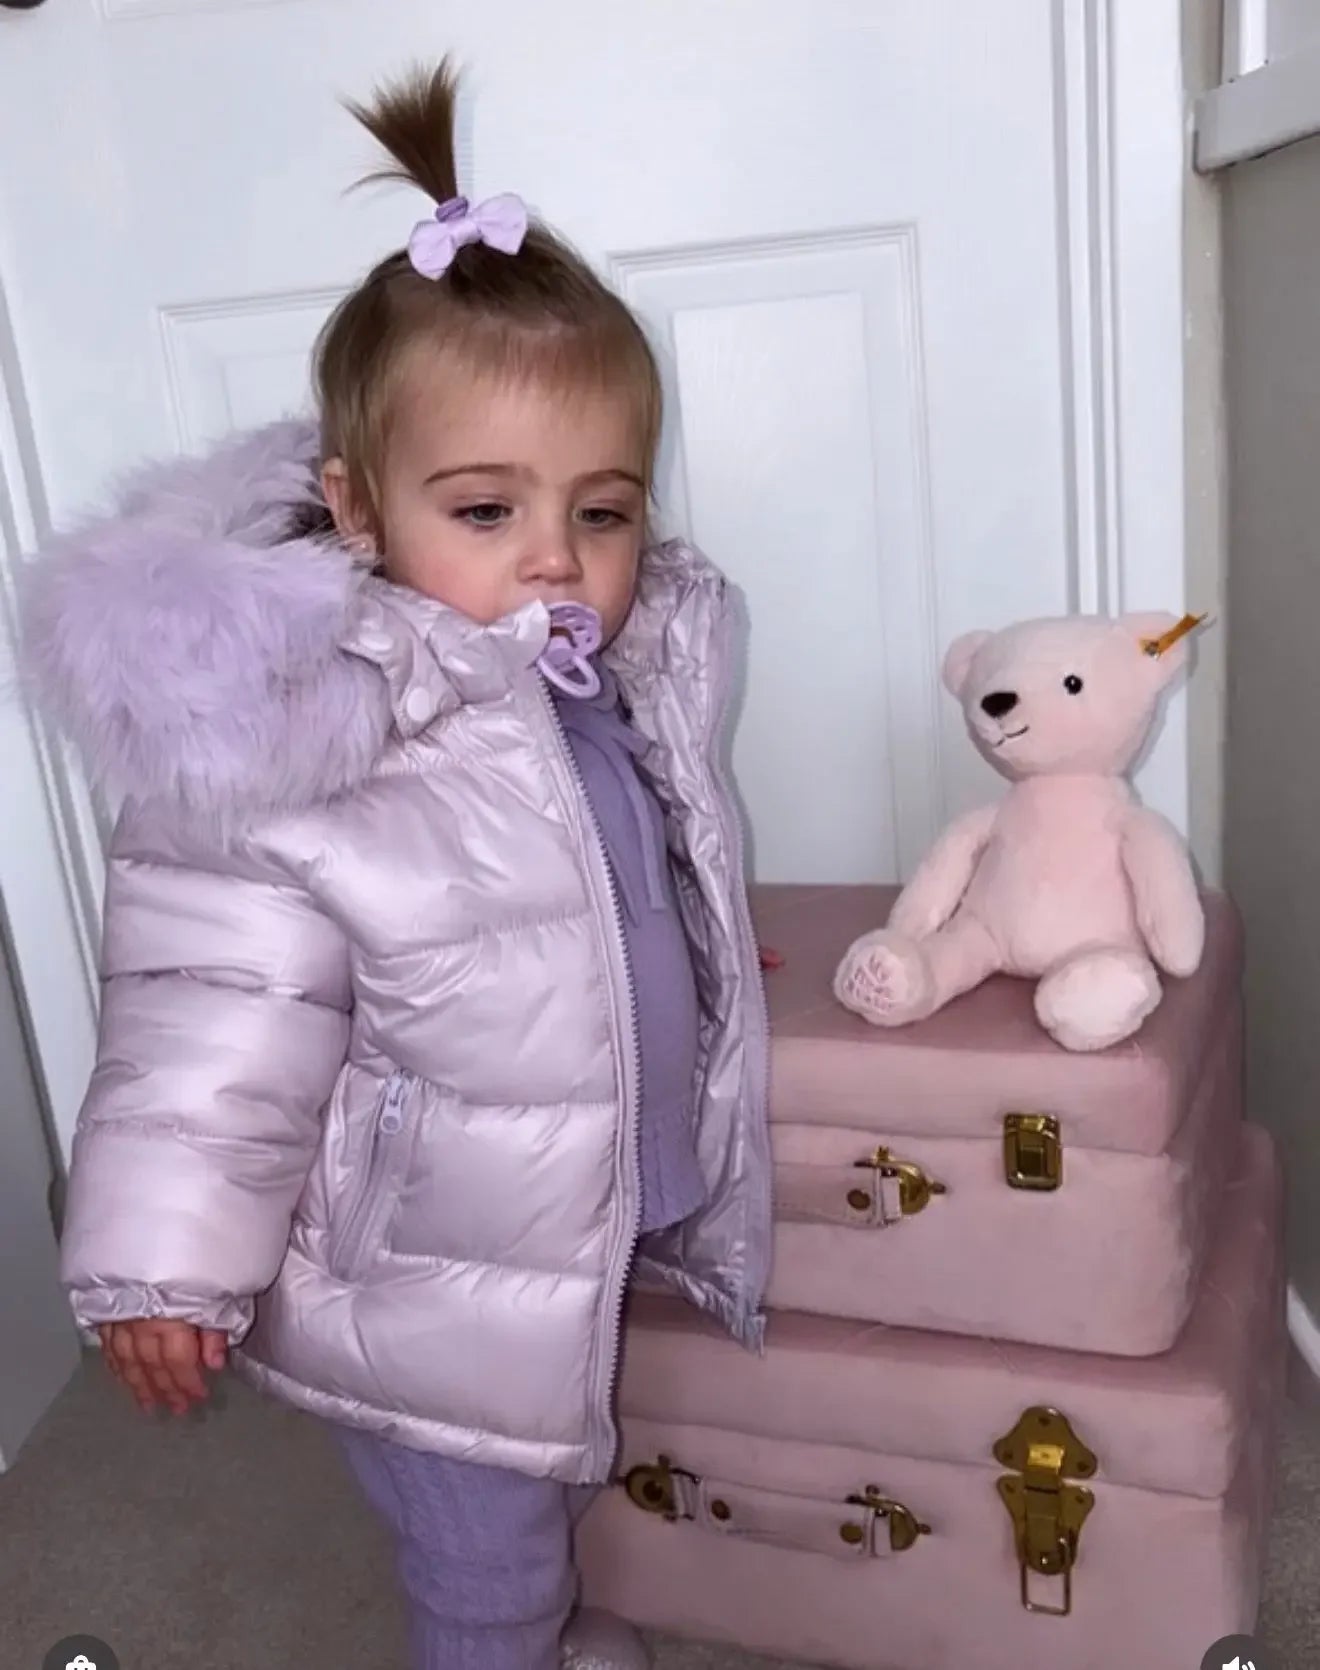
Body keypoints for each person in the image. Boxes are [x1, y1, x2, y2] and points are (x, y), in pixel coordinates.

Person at [19, 58, 772, 1670]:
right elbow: (205, 1028)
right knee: (481, 1563)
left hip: (548, 1222)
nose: (558, 559)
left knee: (544, 1495)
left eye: (606, 509)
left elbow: (622, 872)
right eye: (488, 507)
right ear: (356, 511)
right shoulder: (308, 738)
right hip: (425, 1272)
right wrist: (163, 1260)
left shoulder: (593, 678)